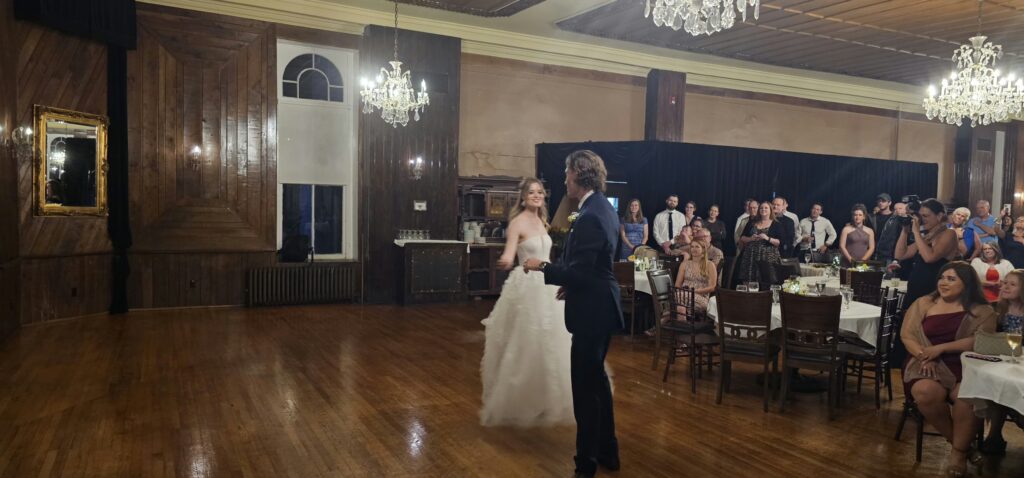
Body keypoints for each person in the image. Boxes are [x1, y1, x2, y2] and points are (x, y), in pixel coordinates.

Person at [523, 150, 622, 478]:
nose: (564, 179)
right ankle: (608, 452)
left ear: (580, 173)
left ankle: (586, 465)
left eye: (567, 173)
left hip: (593, 311)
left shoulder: (591, 214)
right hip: (597, 302)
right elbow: (593, 266)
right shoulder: (601, 208)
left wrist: (544, 267)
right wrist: (574, 283)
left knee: (585, 388)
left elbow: (581, 271)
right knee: (598, 383)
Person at [480, 177, 573, 428]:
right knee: (527, 342)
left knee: (552, 341)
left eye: (540, 192)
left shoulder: (543, 222)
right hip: (527, 286)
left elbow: (545, 254)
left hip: (548, 282)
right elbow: (510, 253)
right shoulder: (517, 222)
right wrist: (506, 260)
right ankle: (522, 400)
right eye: (531, 192)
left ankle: (547, 397)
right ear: (523, 197)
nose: (536, 195)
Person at [900, 261, 996, 477]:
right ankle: (962, 446)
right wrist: (926, 355)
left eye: (951, 279)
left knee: (967, 397)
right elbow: (907, 335)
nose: (944, 282)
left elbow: (981, 342)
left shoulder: (983, 311)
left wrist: (941, 349)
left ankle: (958, 454)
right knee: (925, 391)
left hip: (965, 363)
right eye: (942, 278)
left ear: (967, 283)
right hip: (922, 361)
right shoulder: (924, 303)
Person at [981, 270, 1024, 455]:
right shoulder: (997, 310)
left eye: (1012, 284)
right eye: (1004, 283)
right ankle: (994, 436)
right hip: (1002, 361)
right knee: (996, 389)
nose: (1005, 286)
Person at [896, 198, 959, 309]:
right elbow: (900, 254)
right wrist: (905, 230)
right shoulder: (926, 238)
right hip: (914, 292)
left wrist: (916, 232)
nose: (921, 220)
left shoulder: (949, 234)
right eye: (920, 216)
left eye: (925, 216)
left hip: (932, 293)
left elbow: (930, 258)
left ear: (939, 216)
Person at [737, 201, 784, 287]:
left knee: (768, 281)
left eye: (766, 208)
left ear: (770, 210)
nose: (763, 209)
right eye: (761, 208)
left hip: (768, 257)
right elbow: (742, 238)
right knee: (749, 281)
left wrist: (767, 238)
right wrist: (751, 238)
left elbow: (779, 242)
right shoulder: (752, 222)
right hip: (751, 256)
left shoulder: (776, 224)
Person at [674, 240, 717, 316]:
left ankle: (664, 319)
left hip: (701, 297)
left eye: (697, 247)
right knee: (681, 307)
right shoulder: (684, 264)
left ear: (703, 250)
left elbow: (712, 287)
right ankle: (684, 325)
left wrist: (694, 292)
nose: (694, 249)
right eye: (692, 247)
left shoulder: (710, 265)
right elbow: (677, 285)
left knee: (676, 301)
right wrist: (686, 292)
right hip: (683, 295)